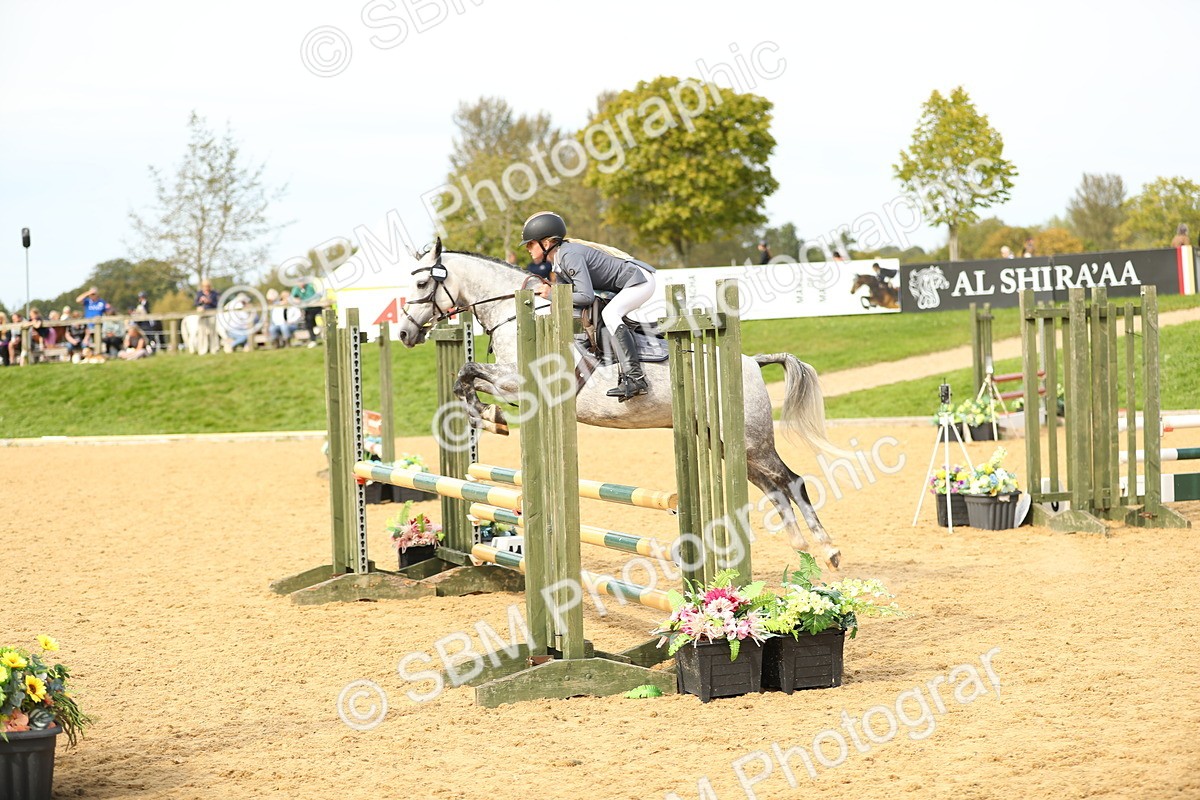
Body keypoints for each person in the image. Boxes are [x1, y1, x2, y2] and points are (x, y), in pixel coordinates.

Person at [520, 211, 656, 401]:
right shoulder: (558, 261)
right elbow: (566, 297)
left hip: (639, 281)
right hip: (628, 283)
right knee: (609, 314)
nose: (527, 248)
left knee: (610, 314)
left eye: (530, 243)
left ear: (547, 242)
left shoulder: (569, 256)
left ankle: (635, 378)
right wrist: (551, 295)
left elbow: (585, 296)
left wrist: (552, 295)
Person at [291, 279, 324, 347]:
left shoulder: (309, 287)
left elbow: (311, 298)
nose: (300, 284)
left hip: (316, 307)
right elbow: (293, 297)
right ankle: (313, 340)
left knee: (320, 320)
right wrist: (296, 299)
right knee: (308, 324)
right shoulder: (296, 289)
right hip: (307, 309)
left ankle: (322, 334)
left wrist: (301, 300)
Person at [194, 280, 220, 355]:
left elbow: (217, 304)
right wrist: (200, 302)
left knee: (213, 332)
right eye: (204, 286)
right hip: (202, 315)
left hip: (211, 314)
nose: (206, 288)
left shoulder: (214, 293)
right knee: (202, 332)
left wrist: (209, 301)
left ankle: (214, 349)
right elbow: (195, 303)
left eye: (207, 286)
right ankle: (203, 350)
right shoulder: (199, 293)